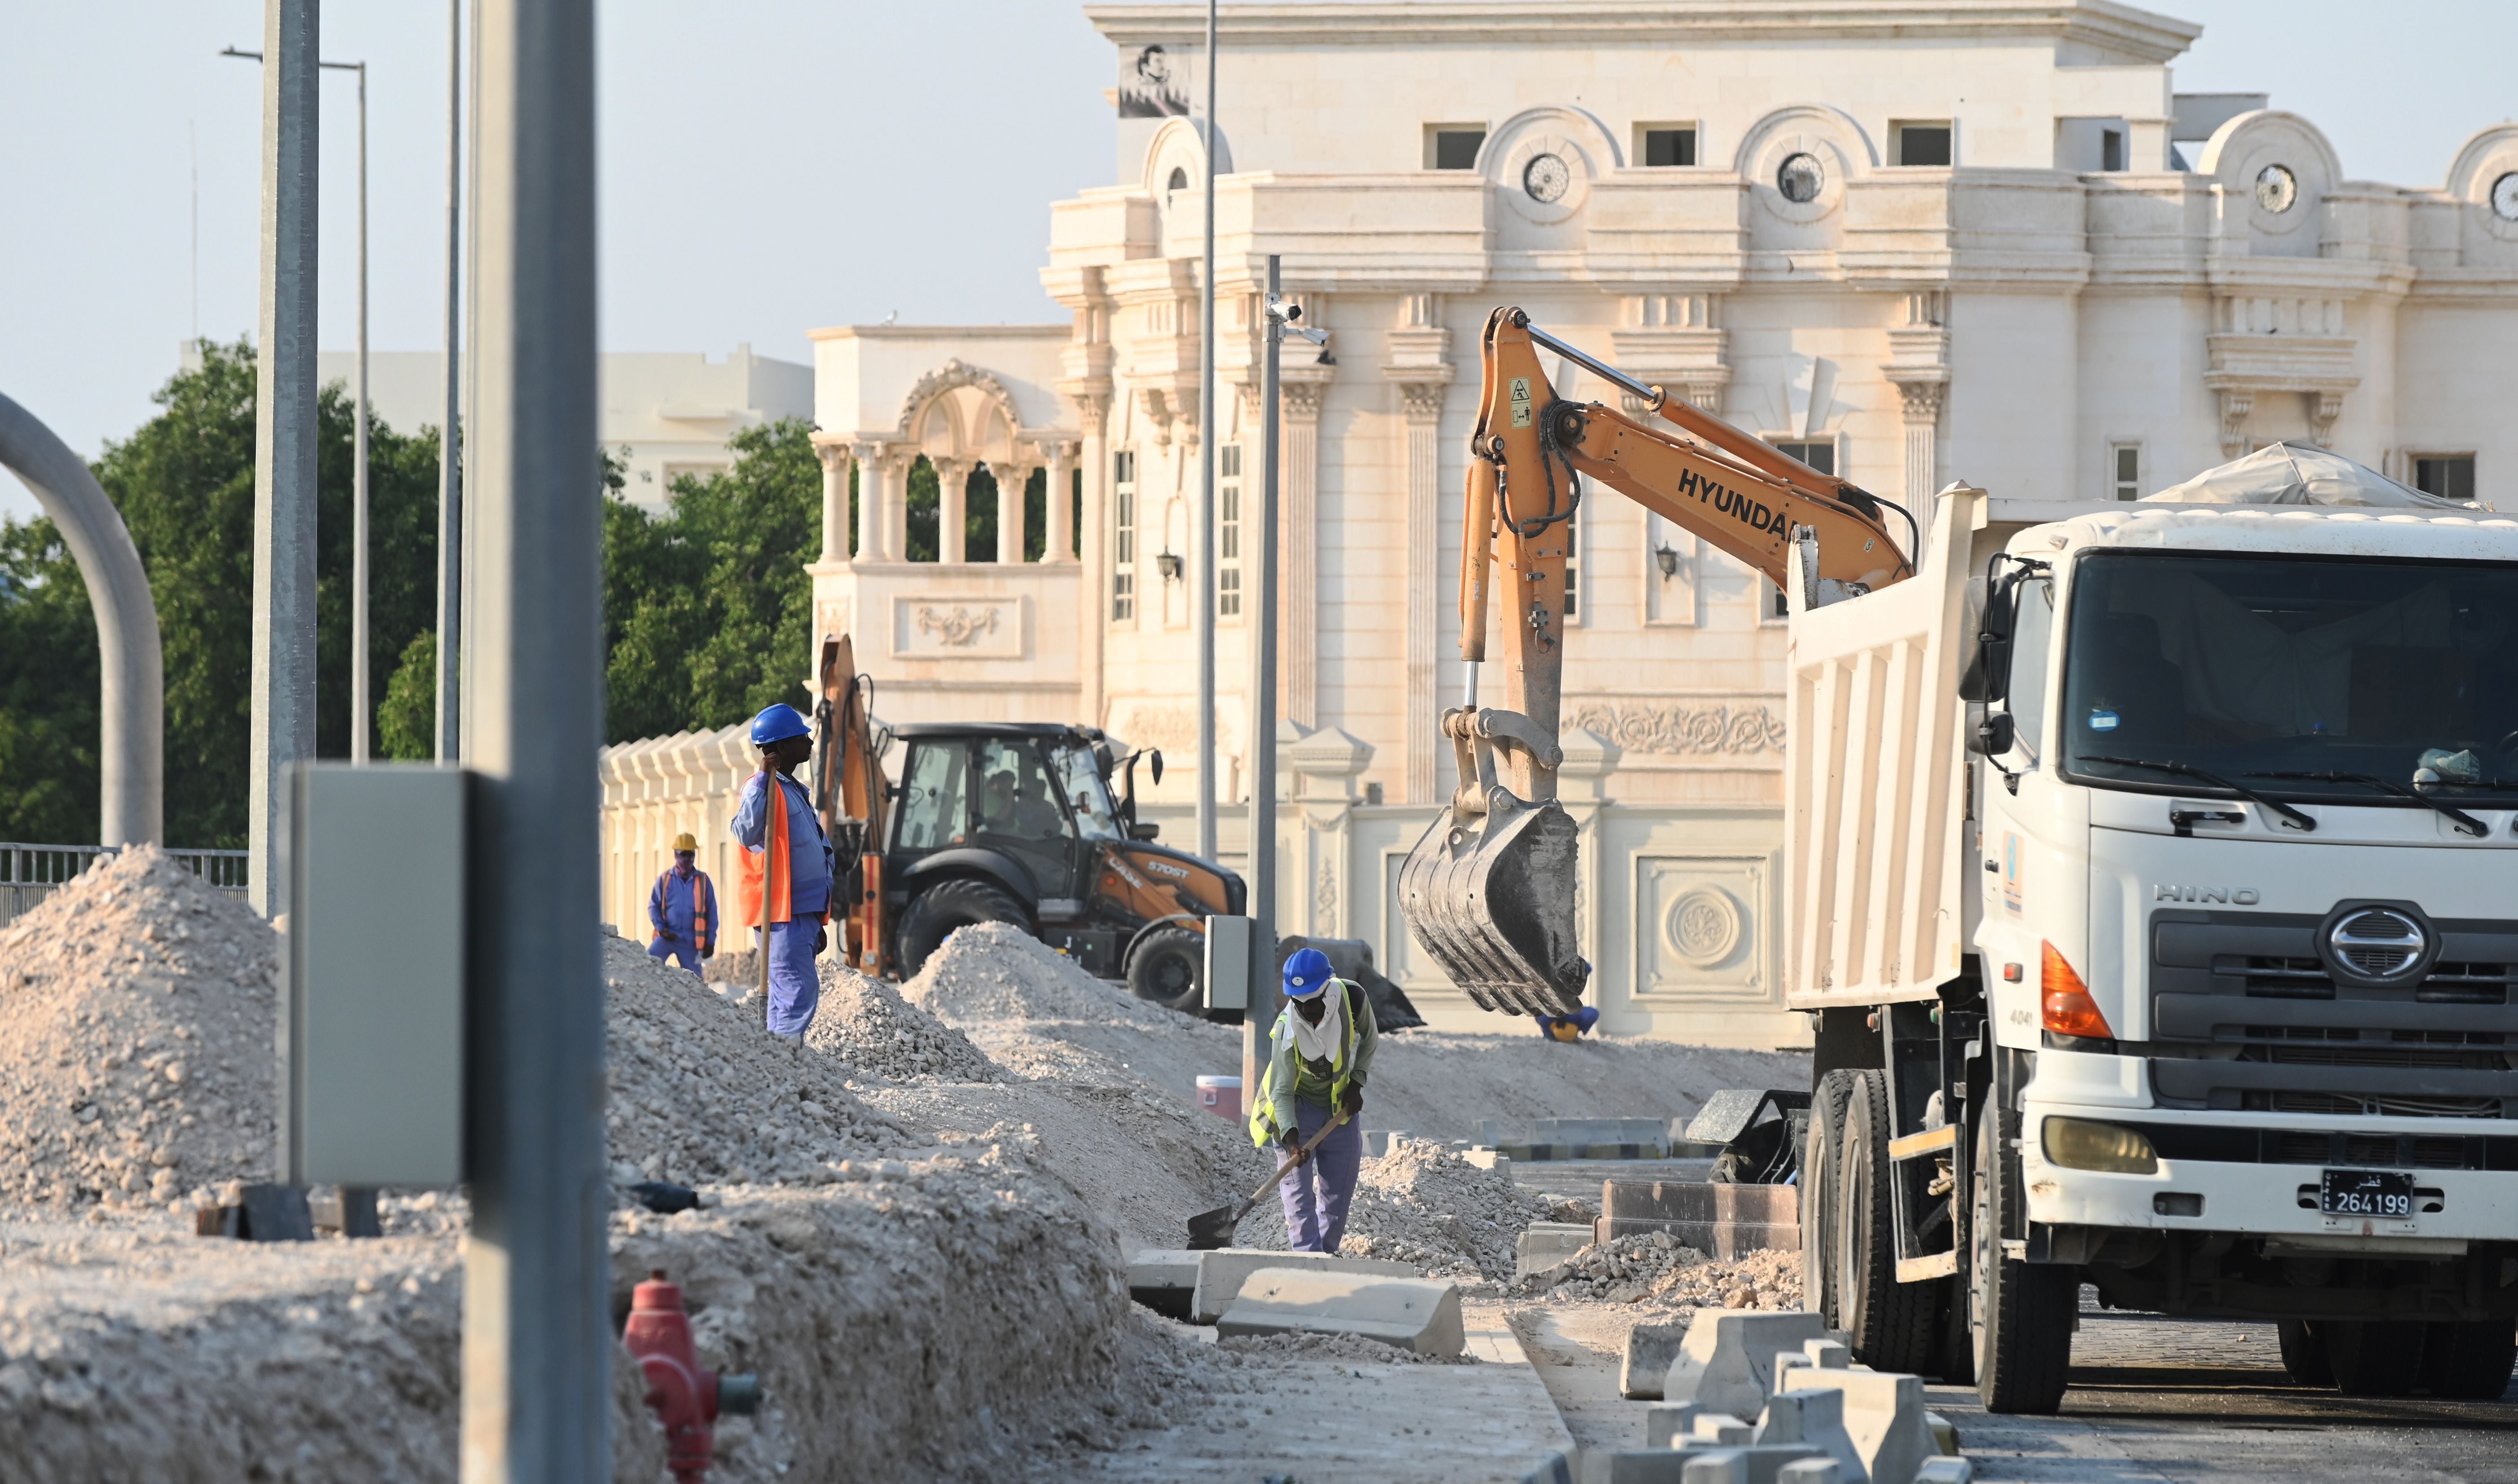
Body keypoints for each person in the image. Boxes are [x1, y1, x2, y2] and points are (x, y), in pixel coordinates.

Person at [1247, 946, 1377, 1253]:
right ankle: (1307, 1258)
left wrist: (1357, 1083)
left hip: (1339, 1109)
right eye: (1298, 1002)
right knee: (1298, 1195)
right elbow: (1281, 1091)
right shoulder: (1287, 1028)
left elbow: (1370, 1039)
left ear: (1327, 991)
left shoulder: (1353, 998)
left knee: (1338, 1195)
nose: (1305, 1011)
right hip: (1296, 1109)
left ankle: (1325, 1258)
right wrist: (1292, 1140)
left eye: (1312, 1003)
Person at [731, 703, 835, 1045]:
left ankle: (781, 1058)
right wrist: (763, 778)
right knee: (796, 991)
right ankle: (786, 1060)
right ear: (780, 747)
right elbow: (746, 832)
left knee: (789, 993)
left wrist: (816, 919)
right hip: (782, 912)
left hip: (802, 912)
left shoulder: (792, 790)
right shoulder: (762, 788)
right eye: (801, 738)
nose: (810, 742)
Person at [646, 832, 717, 975]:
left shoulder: (703, 881)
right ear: (675, 855)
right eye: (683, 855)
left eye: (691, 855)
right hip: (667, 936)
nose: (687, 859)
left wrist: (710, 942)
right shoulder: (665, 879)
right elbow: (654, 906)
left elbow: (712, 913)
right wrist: (661, 929)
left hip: (690, 941)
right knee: (648, 965)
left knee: (695, 982)